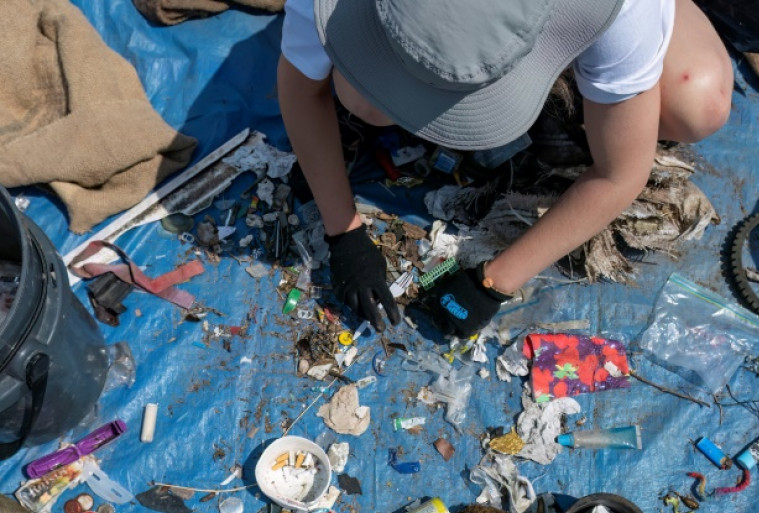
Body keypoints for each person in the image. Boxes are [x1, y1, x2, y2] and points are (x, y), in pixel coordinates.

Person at [278, 0, 733, 337]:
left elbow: (620, 173)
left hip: (582, 19)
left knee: (698, 107)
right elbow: (302, 91)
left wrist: (495, 281)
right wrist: (345, 232)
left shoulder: (627, 8)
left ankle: (587, 78)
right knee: (362, 99)